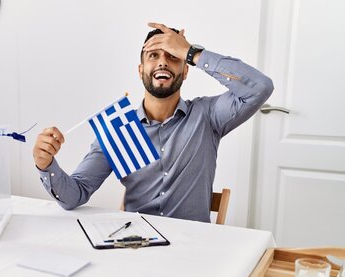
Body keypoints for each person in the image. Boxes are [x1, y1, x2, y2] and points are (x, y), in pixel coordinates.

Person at [32, 22, 274, 222]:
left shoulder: (208, 116)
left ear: (186, 70)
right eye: (154, 55)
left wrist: (191, 52)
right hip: (136, 246)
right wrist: (46, 165)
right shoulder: (119, 130)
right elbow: (74, 196)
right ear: (141, 70)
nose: (163, 62)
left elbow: (260, 87)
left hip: (193, 251)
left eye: (173, 56)